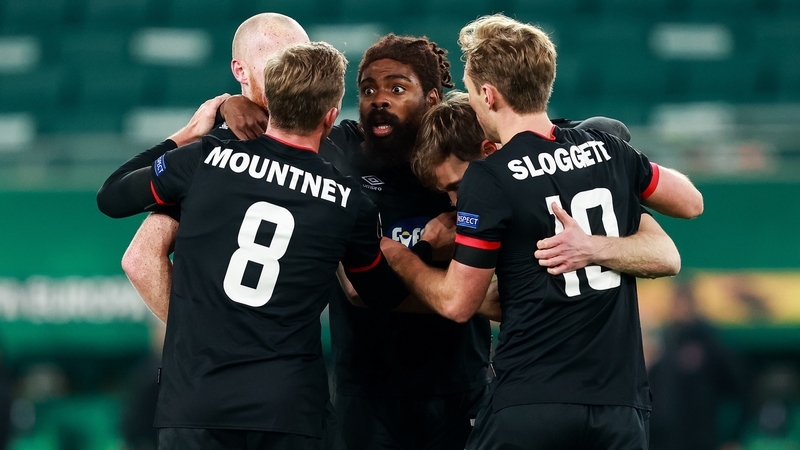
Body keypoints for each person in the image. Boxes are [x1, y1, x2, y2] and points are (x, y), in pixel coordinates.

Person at [219, 33, 691, 450]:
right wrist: (229, 106)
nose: (379, 101)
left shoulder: (484, 149)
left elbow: (546, 133)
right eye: (367, 90)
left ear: (434, 96)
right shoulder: (342, 150)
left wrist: (407, 262)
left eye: (397, 89)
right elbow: (359, 288)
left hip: (464, 385)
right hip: (368, 388)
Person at [379, 14, 703, 449]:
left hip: (532, 402)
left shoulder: (490, 177)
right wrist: (600, 234)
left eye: (473, 92)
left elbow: (458, 303)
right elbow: (690, 203)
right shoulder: (607, 150)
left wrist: (398, 256)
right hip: (620, 406)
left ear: (488, 95)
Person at [97, 41, 408, 450]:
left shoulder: (203, 160)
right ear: (331, 117)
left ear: (269, 104)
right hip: (289, 407)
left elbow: (111, 197)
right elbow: (379, 294)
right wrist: (420, 249)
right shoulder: (349, 201)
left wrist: (189, 133)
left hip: (196, 404)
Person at [121, 12, 310, 323]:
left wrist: (197, 339)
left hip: (217, 363)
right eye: (279, 61)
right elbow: (139, 257)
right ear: (240, 69)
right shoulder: (331, 149)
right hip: (290, 359)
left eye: (302, 60)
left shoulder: (212, 154)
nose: (292, 73)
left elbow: (139, 260)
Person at [412, 92, 683, 279]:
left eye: (460, 186)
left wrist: (412, 259)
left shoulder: (538, 195)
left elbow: (473, 303)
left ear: (489, 152)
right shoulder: (573, 168)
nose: (456, 201)